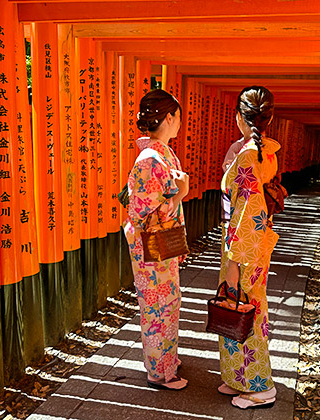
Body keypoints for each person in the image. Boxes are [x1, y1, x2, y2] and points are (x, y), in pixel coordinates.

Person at [216, 86, 281, 409]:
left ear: (240, 117)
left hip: (244, 245)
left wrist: (233, 260)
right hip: (253, 240)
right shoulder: (264, 150)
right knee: (237, 306)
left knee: (247, 311)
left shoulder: (246, 154)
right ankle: (236, 376)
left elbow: (247, 210)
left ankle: (260, 386)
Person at [123, 89, 189, 390]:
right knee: (157, 305)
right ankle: (159, 371)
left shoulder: (159, 153)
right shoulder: (151, 158)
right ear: (169, 117)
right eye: (177, 116)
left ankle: (165, 361)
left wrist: (175, 191)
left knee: (166, 301)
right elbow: (141, 208)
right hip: (152, 245)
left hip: (159, 245)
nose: (179, 122)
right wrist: (179, 192)